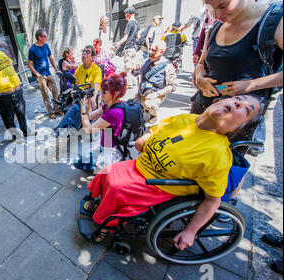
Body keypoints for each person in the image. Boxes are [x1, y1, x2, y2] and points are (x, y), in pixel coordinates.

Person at [83, 94, 262, 244]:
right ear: (219, 100)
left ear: (240, 128)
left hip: (158, 185)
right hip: (140, 165)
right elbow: (154, 132)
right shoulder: (184, 119)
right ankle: (100, 204)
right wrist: (145, 139)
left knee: (117, 188)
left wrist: (191, 231)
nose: (239, 103)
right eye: (238, 98)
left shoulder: (217, 154)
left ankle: (107, 225)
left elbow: (212, 200)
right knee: (108, 171)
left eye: (246, 110)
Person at [192, 0, 283, 117]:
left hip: (239, 121)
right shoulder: (214, 27)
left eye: (223, 6)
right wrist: (200, 79)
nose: (216, 15)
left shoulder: (275, 21)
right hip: (204, 110)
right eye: (209, 9)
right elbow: (201, 64)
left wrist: (252, 84)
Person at [80, 72, 128, 168]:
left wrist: (82, 107)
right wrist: (88, 103)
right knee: (81, 162)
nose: (101, 93)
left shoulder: (114, 113)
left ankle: (111, 167)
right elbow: (91, 116)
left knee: (83, 164)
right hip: (105, 142)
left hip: (111, 149)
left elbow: (88, 130)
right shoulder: (109, 105)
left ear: (116, 93)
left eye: (104, 91)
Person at [53, 45, 102, 136]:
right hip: (80, 96)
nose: (84, 53)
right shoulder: (79, 69)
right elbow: (74, 85)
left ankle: (64, 128)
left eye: (87, 52)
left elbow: (96, 86)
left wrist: (93, 98)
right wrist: (72, 91)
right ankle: (64, 128)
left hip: (90, 97)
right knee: (72, 107)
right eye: (83, 51)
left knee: (76, 107)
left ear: (92, 57)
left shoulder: (97, 70)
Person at [136, 40, 178, 124]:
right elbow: (137, 72)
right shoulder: (145, 61)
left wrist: (156, 94)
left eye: (153, 50)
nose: (150, 52)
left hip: (156, 94)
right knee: (130, 108)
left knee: (149, 104)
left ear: (161, 52)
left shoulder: (167, 66)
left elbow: (173, 86)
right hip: (143, 92)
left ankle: (153, 114)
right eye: (150, 49)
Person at [28, 28, 62, 119]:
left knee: (55, 91)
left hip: (48, 73)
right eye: (45, 36)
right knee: (45, 94)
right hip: (41, 76)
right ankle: (50, 112)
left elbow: (50, 58)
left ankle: (57, 109)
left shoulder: (46, 46)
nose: (46, 38)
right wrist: (37, 74)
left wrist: (56, 69)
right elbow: (30, 64)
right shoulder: (32, 49)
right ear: (39, 37)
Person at [111, 6, 142, 87]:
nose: (125, 16)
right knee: (133, 65)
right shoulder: (137, 24)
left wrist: (116, 45)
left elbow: (125, 37)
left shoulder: (129, 23)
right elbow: (138, 37)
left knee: (127, 66)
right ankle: (135, 81)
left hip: (129, 47)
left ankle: (129, 83)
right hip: (135, 48)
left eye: (125, 14)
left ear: (129, 14)